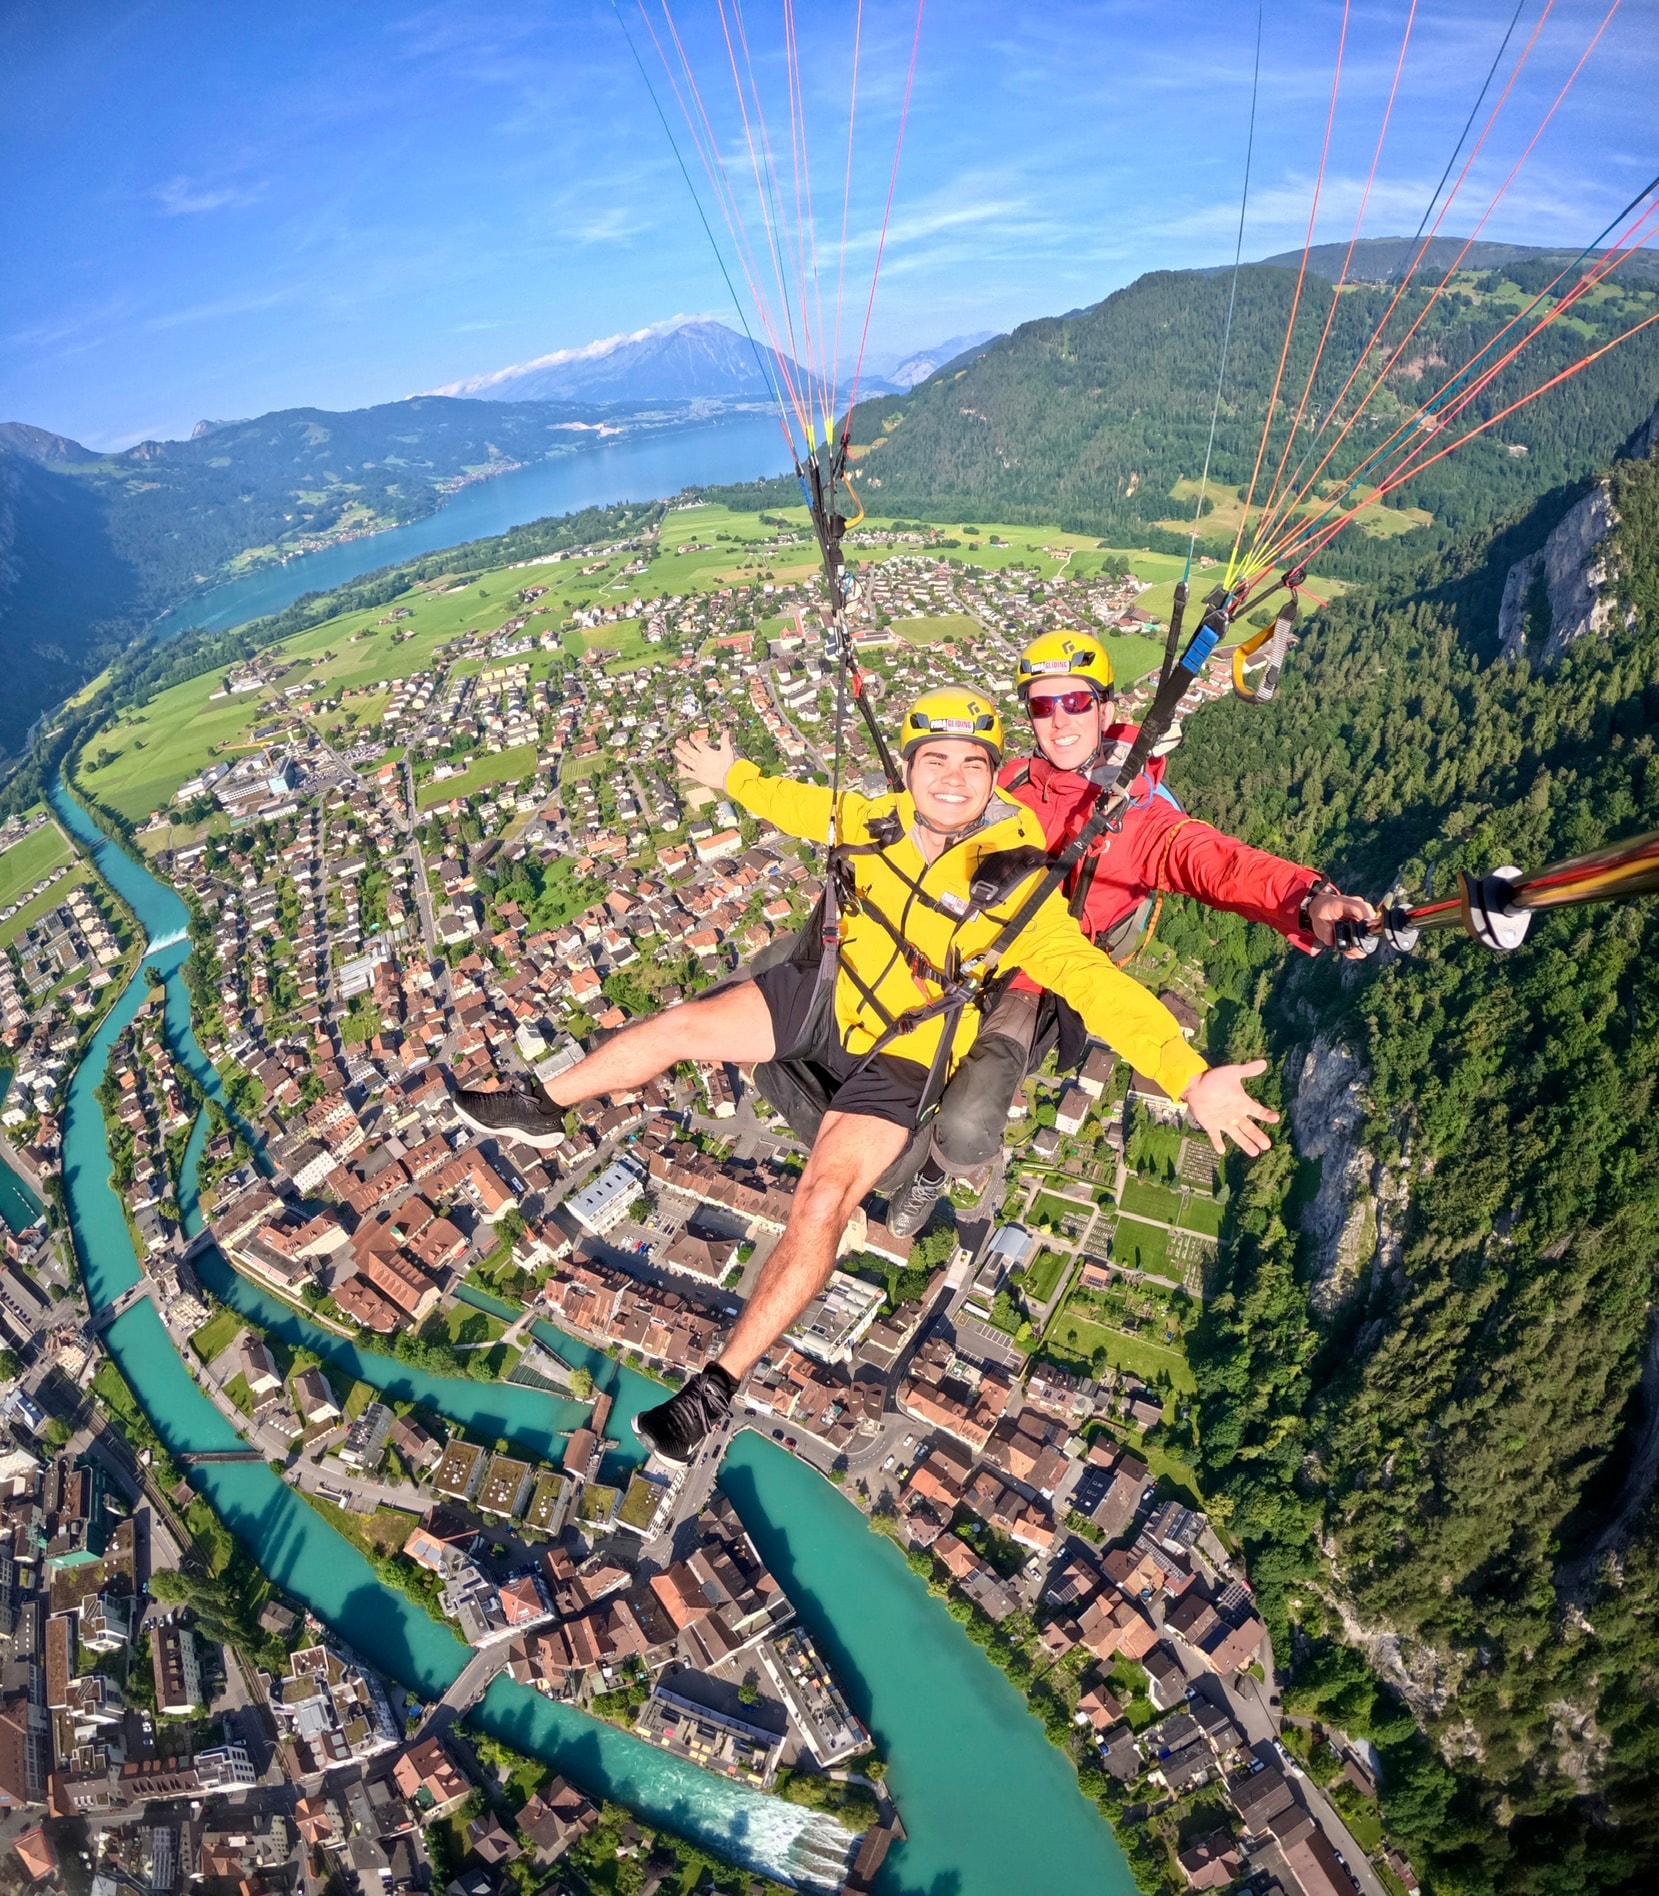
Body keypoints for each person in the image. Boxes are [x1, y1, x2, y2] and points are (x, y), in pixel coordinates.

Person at [454, 686, 1278, 1462]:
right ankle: (540, 1103)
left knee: (822, 1198)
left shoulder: (1017, 879)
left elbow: (1097, 985)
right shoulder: (870, 818)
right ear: (911, 768)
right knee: (680, 1025)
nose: (952, 780)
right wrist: (729, 776)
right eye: (935, 761)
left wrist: (1185, 1073)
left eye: (971, 764)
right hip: (830, 996)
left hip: (908, 1047)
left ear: (995, 779)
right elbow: (792, 802)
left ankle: (713, 1388)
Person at [881, 629, 1376, 1239]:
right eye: (1042, 705)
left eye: (1076, 702)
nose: (1059, 721)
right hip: (970, 944)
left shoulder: (1135, 815)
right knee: (867, 1053)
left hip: (1041, 976)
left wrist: (1308, 901)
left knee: (965, 1121)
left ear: (1105, 708)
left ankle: (933, 1171)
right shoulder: (1005, 780)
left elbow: (1216, 863)